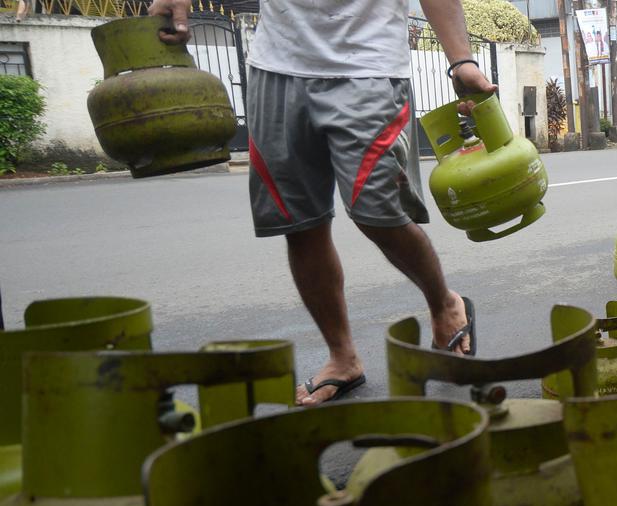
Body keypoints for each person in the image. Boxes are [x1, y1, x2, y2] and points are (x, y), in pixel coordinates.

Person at [148, 0, 494, 405]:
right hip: (275, 69)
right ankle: (343, 357)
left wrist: (460, 59)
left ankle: (444, 303)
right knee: (300, 224)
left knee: (378, 213)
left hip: (369, 68)